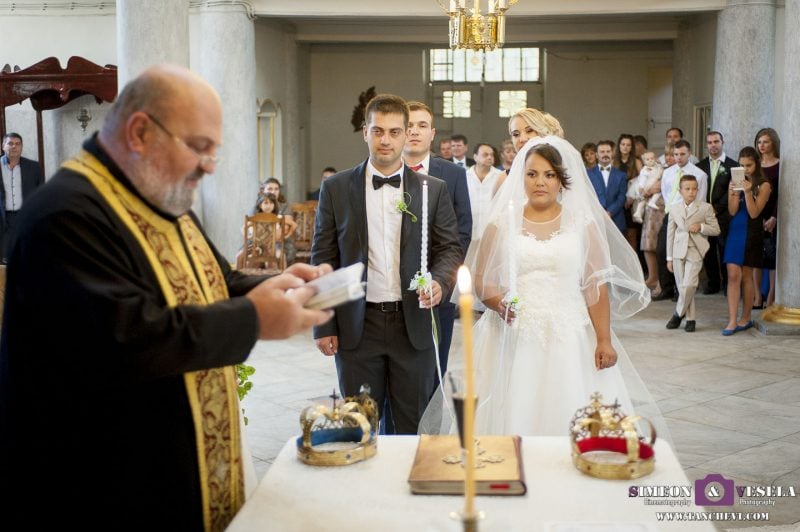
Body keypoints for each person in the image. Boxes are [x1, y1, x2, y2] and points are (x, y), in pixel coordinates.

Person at [0, 65, 333, 529]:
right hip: (105, 488)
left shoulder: (159, 197)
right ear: (140, 132)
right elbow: (129, 339)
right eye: (199, 147)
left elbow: (214, 279)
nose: (209, 166)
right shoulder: (64, 215)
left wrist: (275, 287)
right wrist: (253, 319)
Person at [421, 136, 652, 436]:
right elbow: (481, 279)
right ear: (521, 177)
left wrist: (604, 339)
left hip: (569, 331)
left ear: (562, 180)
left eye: (549, 175)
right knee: (514, 405)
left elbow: (594, 286)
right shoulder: (502, 223)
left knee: (573, 405)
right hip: (515, 332)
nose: (539, 182)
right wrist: (497, 302)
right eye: (532, 174)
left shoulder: (582, 223)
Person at [311, 93, 462, 435]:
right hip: (356, 326)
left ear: (407, 133)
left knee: (411, 428)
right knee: (357, 425)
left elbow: (449, 249)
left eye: (395, 132)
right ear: (365, 132)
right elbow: (323, 257)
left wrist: (439, 282)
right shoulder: (335, 189)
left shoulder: (432, 190)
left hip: (414, 325)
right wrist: (323, 323)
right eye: (378, 131)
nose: (386, 140)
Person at [403, 100, 472, 378]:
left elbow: (463, 230)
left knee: (434, 370)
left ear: (432, 133)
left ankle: (431, 420)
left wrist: (443, 279)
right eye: (408, 126)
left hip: (439, 287)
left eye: (422, 126)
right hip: (393, 293)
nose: (414, 132)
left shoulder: (453, 175)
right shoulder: (383, 172)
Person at [721, 147, 772, 336]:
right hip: (735, 230)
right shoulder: (735, 181)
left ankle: (746, 317)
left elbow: (754, 213)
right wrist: (734, 193)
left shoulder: (764, 184)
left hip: (752, 232)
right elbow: (733, 211)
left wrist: (749, 192)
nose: (745, 169)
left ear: (756, 164)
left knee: (747, 275)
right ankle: (732, 320)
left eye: (748, 165)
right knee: (733, 274)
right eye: (741, 165)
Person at [653, 139, 707, 301]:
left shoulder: (699, 174)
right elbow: (666, 192)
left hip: (689, 215)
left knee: (683, 252)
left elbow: (701, 197)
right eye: (676, 154)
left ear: (689, 154)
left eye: (682, 154)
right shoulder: (668, 172)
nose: (678, 157)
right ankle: (667, 287)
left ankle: (680, 289)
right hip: (671, 214)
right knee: (662, 249)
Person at [665, 175, 720, 332]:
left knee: (689, 285)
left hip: (695, 250)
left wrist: (701, 227)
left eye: (694, 188)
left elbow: (716, 229)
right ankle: (691, 319)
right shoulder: (674, 209)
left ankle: (678, 313)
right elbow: (670, 233)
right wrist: (669, 257)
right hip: (677, 251)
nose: (691, 192)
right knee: (683, 286)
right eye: (687, 189)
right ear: (680, 190)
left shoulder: (705, 207)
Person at [696, 131, 736, 295]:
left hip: (723, 215)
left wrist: (717, 207)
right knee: (708, 249)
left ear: (722, 142)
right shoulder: (700, 166)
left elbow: (733, 189)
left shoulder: (732, 165)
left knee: (724, 248)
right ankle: (713, 283)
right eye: (710, 142)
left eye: (716, 141)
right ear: (706, 145)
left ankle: (728, 284)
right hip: (704, 215)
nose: (713, 145)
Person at [0, 132, 45, 261]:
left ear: (21, 147)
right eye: (10, 143)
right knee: (5, 258)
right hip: (3, 219)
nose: (14, 146)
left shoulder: (33, 167)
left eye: (17, 144)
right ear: (3, 146)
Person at [753, 127, 780, 308]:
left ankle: (771, 295)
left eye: (766, 142)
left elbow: (782, 194)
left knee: (771, 259)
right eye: (759, 142)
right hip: (755, 214)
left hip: (773, 215)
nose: (762, 145)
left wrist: (774, 217)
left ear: (773, 144)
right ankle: (757, 296)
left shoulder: (780, 164)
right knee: (755, 258)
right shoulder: (754, 164)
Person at [587, 140, 628, 234]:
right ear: (597, 155)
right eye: (602, 152)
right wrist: (600, 212)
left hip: (616, 220)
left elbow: (621, 197)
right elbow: (587, 195)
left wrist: (610, 212)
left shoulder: (621, 175)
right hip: (595, 219)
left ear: (612, 153)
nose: (605, 154)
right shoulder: (588, 174)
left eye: (608, 151)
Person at [262, 177, 297, 263]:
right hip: (259, 241)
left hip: (281, 242)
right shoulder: (258, 206)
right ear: (263, 190)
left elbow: (284, 230)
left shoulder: (285, 207)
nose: (273, 192)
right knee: (243, 254)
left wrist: (265, 238)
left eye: (276, 189)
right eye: (270, 189)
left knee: (279, 254)